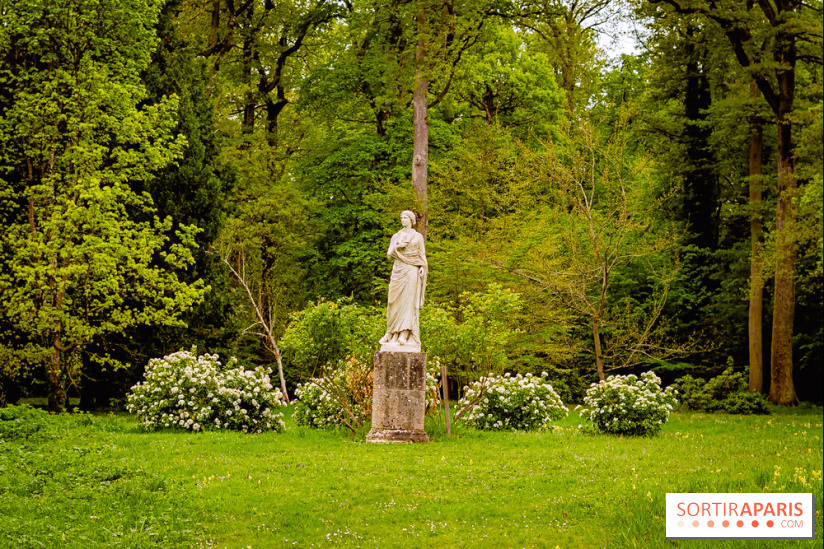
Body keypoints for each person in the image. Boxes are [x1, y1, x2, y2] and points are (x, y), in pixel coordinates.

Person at [379, 210, 427, 349]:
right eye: (401, 217)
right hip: (398, 269)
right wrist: (397, 247)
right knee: (393, 301)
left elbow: (421, 255)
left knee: (408, 301)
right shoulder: (396, 236)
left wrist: (421, 267)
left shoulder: (418, 237)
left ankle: (404, 333)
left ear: (411, 220)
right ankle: (391, 332)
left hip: (412, 270)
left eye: (405, 217)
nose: (403, 220)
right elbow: (389, 254)